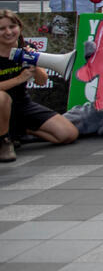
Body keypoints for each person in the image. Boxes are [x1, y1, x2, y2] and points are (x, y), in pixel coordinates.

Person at [0, 10, 78, 162]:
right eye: (2, 29)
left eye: (12, 26)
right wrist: (20, 78)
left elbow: (42, 81)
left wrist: (35, 62)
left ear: (19, 27)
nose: (8, 32)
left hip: (22, 104)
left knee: (68, 134)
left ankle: (19, 130)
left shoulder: (25, 47)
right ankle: (3, 141)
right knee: (1, 98)